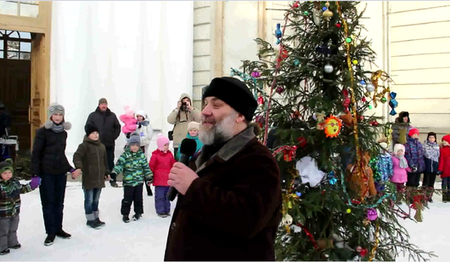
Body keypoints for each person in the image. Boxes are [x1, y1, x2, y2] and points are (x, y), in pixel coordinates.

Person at [164, 77, 282, 260]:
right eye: (205, 104)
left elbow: (248, 220)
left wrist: (193, 187)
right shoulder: (207, 153)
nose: (205, 111)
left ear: (240, 115)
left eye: (216, 105)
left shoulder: (259, 161)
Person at [31, 103, 81, 246]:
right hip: (46, 173)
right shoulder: (42, 132)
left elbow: (61, 155)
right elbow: (36, 154)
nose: (58, 117)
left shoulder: (63, 133)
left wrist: (70, 169)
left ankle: (58, 228)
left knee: (59, 202)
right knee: (48, 203)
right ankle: (50, 232)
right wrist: (35, 174)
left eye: (60, 115)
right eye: (55, 114)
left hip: (59, 173)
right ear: (50, 116)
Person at [73, 124, 110, 229]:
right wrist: (79, 167)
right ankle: (90, 220)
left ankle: (96, 218)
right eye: (93, 133)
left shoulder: (102, 146)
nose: (95, 135)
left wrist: (106, 172)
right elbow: (77, 157)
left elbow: (105, 161)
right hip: (89, 178)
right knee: (89, 200)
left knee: (96, 199)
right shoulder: (84, 146)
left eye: (97, 133)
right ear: (88, 134)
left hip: (99, 179)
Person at [0, 159, 40, 255]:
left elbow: (22, 189)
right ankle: (2, 247)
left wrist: (32, 185)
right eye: (5, 173)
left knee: (13, 228)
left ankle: (12, 243)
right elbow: (6, 193)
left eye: (9, 172)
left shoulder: (14, 182)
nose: (8, 175)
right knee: (3, 231)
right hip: (3, 213)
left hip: (15, 211)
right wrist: (9, 193)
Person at [111, 133, 153, 223]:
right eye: (132, 145)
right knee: (127, 199)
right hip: (128, 182)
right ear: (129, 145)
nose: (134, 147)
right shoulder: (125, 155)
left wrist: (149, 177)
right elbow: (119, 165)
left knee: (138, 199)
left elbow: (146, 167)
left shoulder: (141, 156)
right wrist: (114, 173)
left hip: (139, 182)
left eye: (136, 145)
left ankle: (138, 212)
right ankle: (125, 214)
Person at [85, 98, 121, 187]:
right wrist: (92, 137)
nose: (104, 105)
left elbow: (117, 127)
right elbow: (87, 127)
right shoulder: (93, 116)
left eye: (105, 104)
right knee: (97, 161)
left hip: (109, 143)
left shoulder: (112, 116)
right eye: (102, 104)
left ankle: (112, 179)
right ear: (99, 105)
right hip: (96, 144)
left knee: (110, 161)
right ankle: (99, 179)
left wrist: (113, 137)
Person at [167, 94, 201, 160]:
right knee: (179, 162)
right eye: (183, 101)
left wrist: (191, 108)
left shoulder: (193, 111)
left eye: (187, 100)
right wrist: (177, 109)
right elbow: (170, 120)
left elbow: (200, 119)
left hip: (191, 143)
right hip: (178, 143)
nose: (185, 103)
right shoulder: (177, 112)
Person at [149, 134, 175, 218]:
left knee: (167, 196)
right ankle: (160, 210)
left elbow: (173, 164)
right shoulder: (155, 155)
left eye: (168, 145)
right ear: (160, 145)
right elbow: (151, 167)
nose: (167, 147)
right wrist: (150, 177)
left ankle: (167, 209)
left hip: (168, 179)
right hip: (159, 180)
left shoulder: (169, 154)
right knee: (160, 196)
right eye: (165, 145)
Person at [135, 110, 153, 196]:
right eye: (137, 116)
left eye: (140, 116)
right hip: (135, 150)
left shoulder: (147, 125)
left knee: (145, 170)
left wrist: (140, 140)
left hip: (144, 150)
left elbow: (148, 137)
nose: (139, 118)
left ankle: (148, 188)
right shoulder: (135, 125)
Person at [404, 128, 425, 199]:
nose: (416, 135)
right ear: (411, 135)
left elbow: (421, 156)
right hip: (412, 167)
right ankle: (409, 196)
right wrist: (412, 165)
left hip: (419, 166)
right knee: (411, 182)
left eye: (417, 134)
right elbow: (407, 156)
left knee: (416, 182)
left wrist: (422, 165)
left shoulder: (419, 144)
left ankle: (415, 196)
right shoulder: (407, 144)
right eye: (415, 134)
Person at [422, 132, 440, 202]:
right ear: (428, 138)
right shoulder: (425, 145)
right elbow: (424, 155)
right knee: (425, 181)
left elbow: (438, 156)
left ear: (435, 139)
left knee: (431, 183)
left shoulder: (437, 146)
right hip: (427, 166)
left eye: (433, 138)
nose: (431, 139)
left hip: (434, 166)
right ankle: (423, 195)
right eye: (430, 137)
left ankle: (429, 196)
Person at [438, 135, 450, 203]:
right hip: (445, 170)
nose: (444, 142)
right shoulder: (442, 150)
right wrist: (440, 169)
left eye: (446, 141)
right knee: (444, 183)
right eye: (443, 141)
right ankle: (444, 195)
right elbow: (441, 160)